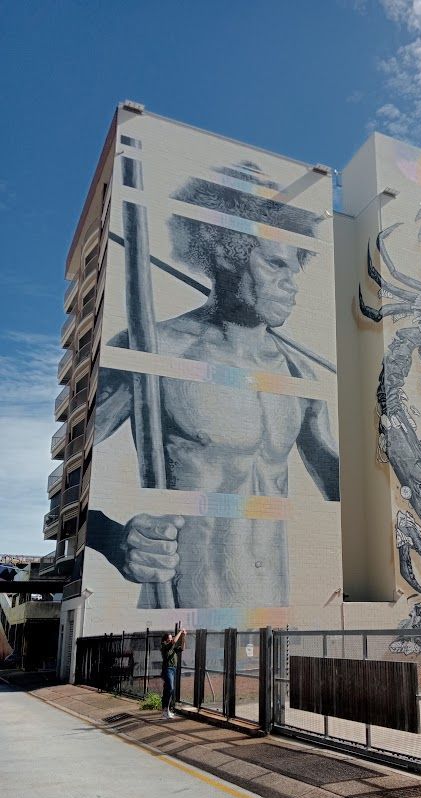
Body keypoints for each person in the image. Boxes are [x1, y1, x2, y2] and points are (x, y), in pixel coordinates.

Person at [87, 163, 339, 609]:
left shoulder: (299, 376)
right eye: (275, 264)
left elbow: (348, 492)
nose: (291, 284)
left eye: (296, 268)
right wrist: (113, 537)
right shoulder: (154, 350)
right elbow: (62, 487)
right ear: (227, 252)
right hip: (183, 620)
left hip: (273, 617)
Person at [160, 628, 185, 719]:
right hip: (167, 669)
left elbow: (182, 648)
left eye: (171, 638)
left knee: (169, 690)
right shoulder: (164, 646)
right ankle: (165, 711)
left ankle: (166, 710)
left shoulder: (172, 647)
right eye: (169, 638)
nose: (171, 639)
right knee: (170, 688)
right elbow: (174, 641)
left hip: (173, 669)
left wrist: (183, 637)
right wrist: (180, 632)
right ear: (165, 639)